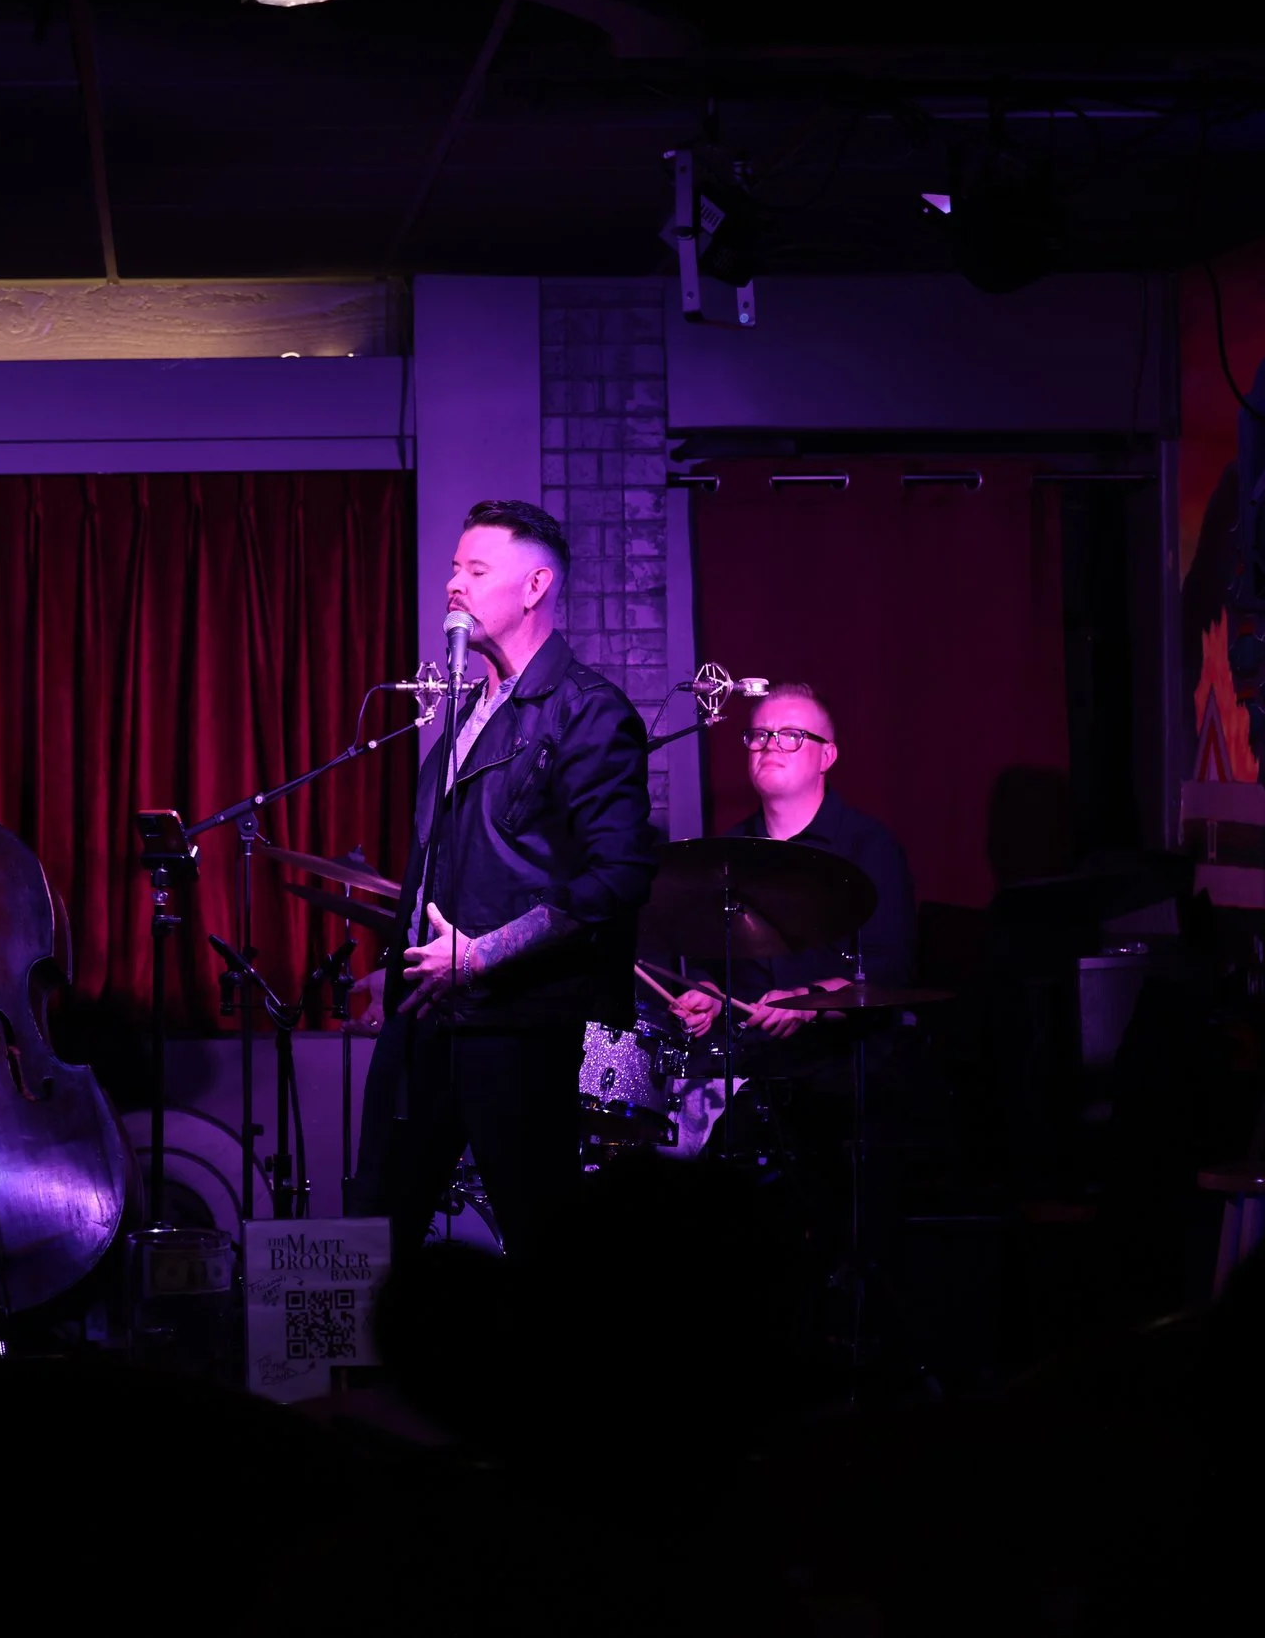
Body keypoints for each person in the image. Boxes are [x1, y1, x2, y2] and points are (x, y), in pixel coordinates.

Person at [350, 500, 657, 1255]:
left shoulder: (589, 713)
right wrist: (394, 965)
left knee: (542, 1240)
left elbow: (617, 877)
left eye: (476, 570)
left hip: (525, 1029)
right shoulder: (461, 718)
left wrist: (485, 953)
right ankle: (369, 1374)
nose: (453, 584)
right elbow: (447, 867)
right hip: (430, 1017)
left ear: (534, 586)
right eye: (453, 568)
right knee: (374, 1235)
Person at [669, 683, 916, 1045]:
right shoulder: (727, 850)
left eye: (792, 735)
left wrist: (805, 1003)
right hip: (748, 1063)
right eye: (760, 735)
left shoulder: (870, 846)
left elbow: (890, 970)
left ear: (827, 757)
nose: (770, 744)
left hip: (842, 1066)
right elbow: (708, 961)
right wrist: (707, 994)